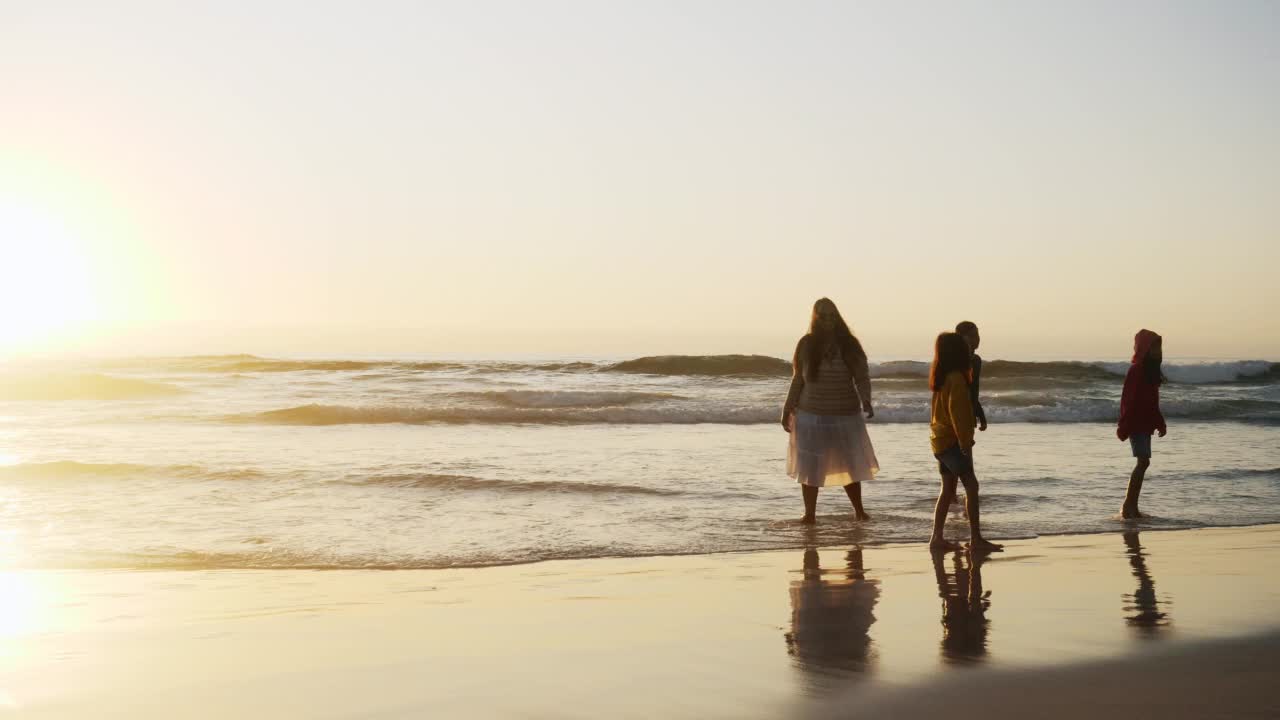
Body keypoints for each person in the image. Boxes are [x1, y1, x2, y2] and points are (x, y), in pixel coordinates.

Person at [781, 298, 878, 524]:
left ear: (838, 316)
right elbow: (798, 379)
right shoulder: (806, 344)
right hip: (811, 413)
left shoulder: (850, 344)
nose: (828, 321)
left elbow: (861, 376)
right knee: (810, 466)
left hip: (844, 413)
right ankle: (810, 514)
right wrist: (787, 409)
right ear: (816, 318)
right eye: (823, 316)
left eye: (832, 316)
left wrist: (866, 399)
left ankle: (859, 511)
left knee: (850, 463)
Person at [926, 332, 1002, 551]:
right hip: (952, 442)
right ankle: (976, 539)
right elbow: (957, 413)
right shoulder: (957, 379)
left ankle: (936, 537)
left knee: (947, 488)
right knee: (972, 486)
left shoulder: (940, 377)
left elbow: (938, 413)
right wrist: (965, 443)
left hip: (938, 440)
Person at [1116, 329, 1167, 519]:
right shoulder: (1137, 370)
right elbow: (1128, 400)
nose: (1157, 351)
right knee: (1143, 461)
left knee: (1144, 462)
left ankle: (1131, 506)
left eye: (1159, 348)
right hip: (1136, 423)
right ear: (1145, 348)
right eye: (1154, 347)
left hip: (1145, 424)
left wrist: (1160, 423)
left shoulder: (1151, 372)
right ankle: (1128, 507)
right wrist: (1124, 425)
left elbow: (1153, 403)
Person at [955, 321, 987, 432]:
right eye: (973, 336)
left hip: (969, 416)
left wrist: (981, 416)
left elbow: (974, 390)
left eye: (978, 335)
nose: (978, 339)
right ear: (962, 338)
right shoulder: (955, 360)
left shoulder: (976, 360)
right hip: (956, 416)